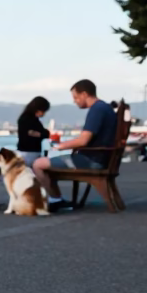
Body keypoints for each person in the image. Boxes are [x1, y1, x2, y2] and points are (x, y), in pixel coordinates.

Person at [32, 79, 117, 213]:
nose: (75, 101)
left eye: (76, 97)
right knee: (47, 164)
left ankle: (55, 200)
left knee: (38, 164)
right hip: (101, 158)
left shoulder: (97, 110)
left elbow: (83, 141)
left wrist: (60, 146)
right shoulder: (105, 108)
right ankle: (56, 199)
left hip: (92, 160)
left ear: (84, 94)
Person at [16, 96, 50, 165]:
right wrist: (41, 134)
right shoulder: (27, 120)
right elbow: (32, 133)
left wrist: (41, 134)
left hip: (30, 153)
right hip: (28, 153)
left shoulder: (33, 119)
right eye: (43, 111)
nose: (44, 114)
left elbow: (44, 133)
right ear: (37, 109)